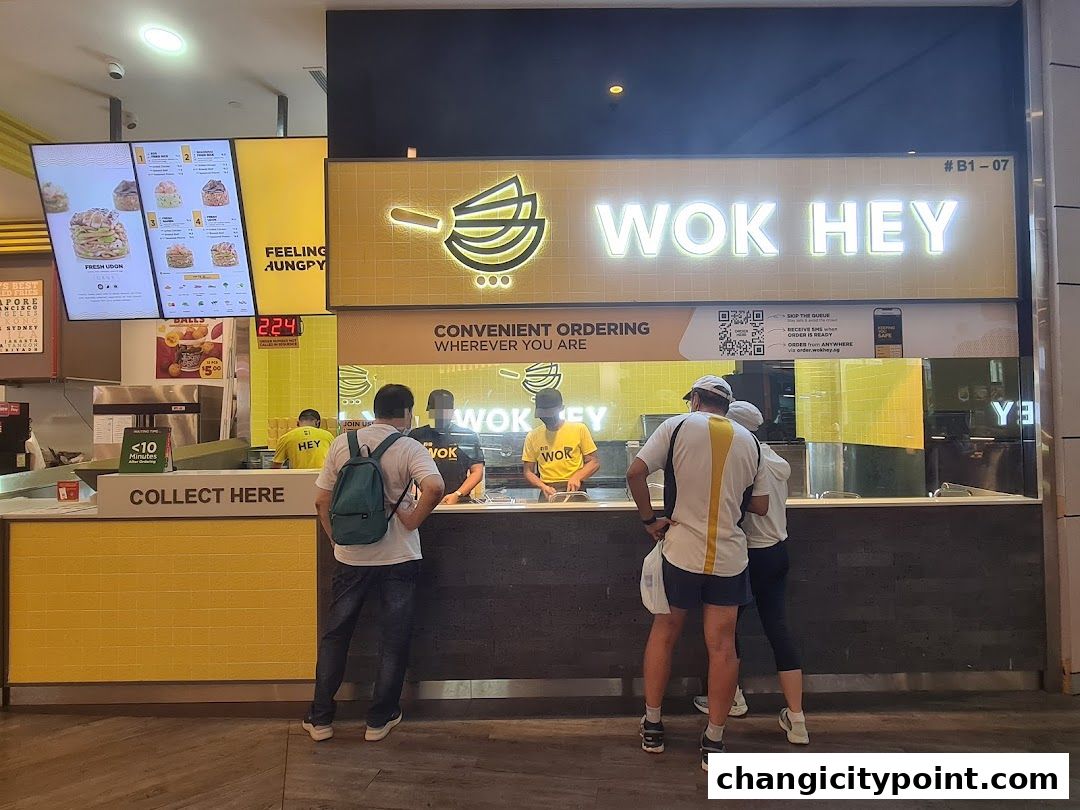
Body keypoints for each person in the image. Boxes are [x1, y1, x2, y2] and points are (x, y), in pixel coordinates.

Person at [625, 376, 769, 770]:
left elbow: (635, 473)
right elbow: (759, 504)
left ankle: (653, 726)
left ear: (695, 400)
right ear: (726, 405)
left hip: (681, 553)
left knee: (665, 632)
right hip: (729, 557)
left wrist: (649, 520)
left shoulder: (676, 426)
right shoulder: (751, 441)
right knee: (723, 647)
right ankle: (714, 740)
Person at [303, 385, 444, 743]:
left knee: (336, 635)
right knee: (393, 638)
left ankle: (320, 719)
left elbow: (320, 501)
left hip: (351, 558)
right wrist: (411, 521)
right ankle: (379, 720)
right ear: (407, 413)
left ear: (375, 410)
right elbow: (435, 487)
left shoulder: (342, 444)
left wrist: (335, 539)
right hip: (398, 556)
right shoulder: (409, 447)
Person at [692, 401, 807, 744]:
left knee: (724, 630)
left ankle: (734, 699)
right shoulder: (776, 460)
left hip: (746, 555)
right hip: (777, 553)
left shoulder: (742, 458)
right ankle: (797, 719)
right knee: (778, 629)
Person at [522, 388, 600, 501]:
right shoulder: (532, 436)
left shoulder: (579, 429)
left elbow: (594, 462)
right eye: (543, 415)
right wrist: (543, 486)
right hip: (548, 491)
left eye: (550, 414)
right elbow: (528, 471)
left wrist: (577, 477)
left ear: (561, 408)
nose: (547, 418)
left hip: (575, 490)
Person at [409, 389, 485, 504]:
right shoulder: (416, 435)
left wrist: (458, 494)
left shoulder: (466, 436)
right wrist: (415, 492)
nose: (440, 415)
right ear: (429, 411)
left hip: (458, 503)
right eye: (436, 411)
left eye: (444, 411)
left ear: (452, 412)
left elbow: (477, 471)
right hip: (422, 503)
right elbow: (404, 472)